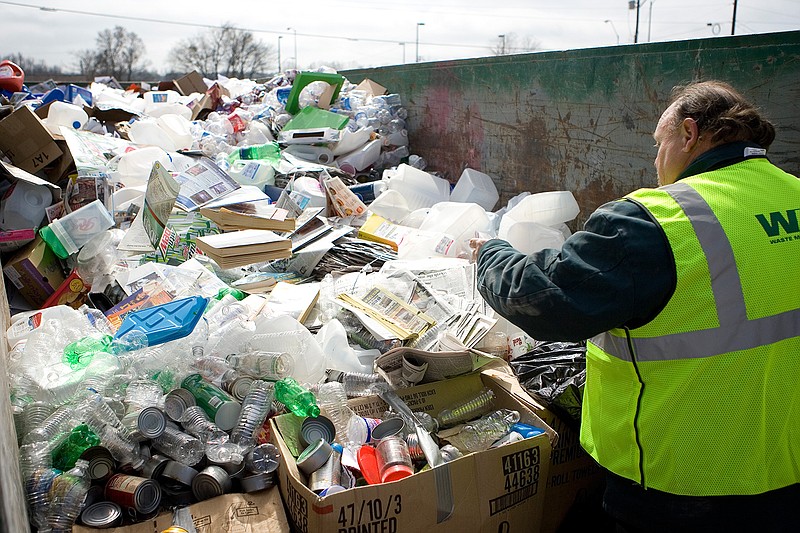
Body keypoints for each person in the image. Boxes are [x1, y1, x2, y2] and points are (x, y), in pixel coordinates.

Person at [470, 80, 799, 532]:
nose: (655, 158)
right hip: (786, 474)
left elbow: (542, 300)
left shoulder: (658, 220)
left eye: (658, 143)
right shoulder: (793, 195)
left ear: (688, 135)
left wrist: (491, 252)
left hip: (679, 485)